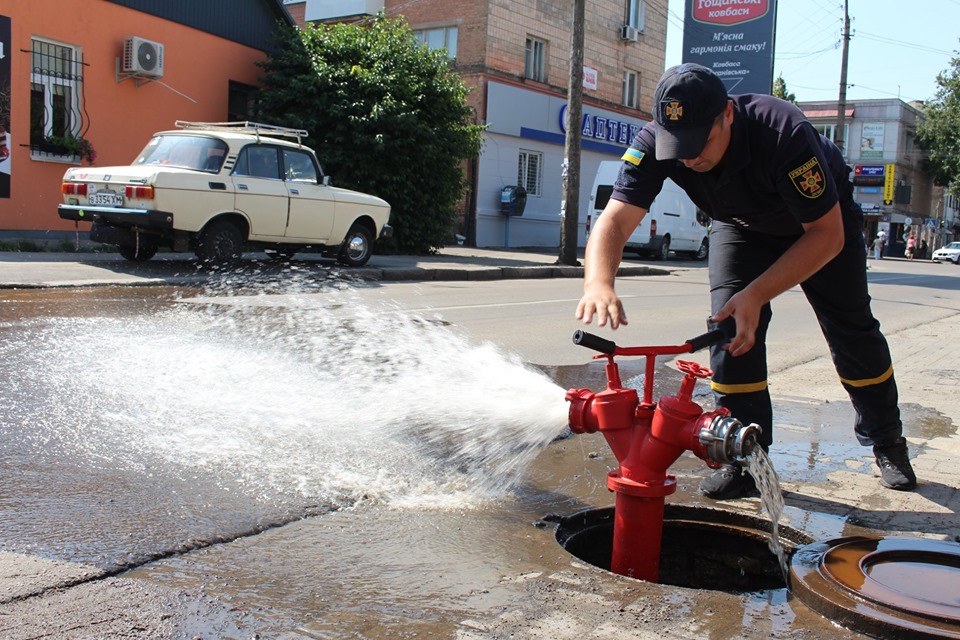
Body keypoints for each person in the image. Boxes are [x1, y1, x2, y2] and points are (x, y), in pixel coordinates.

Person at [575, 63, 916, 499]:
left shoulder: (784, 135)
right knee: (729, 329)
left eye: (700, 143)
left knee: (852, 332)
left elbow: (827, 236)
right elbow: (615, 222)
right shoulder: (655, 145)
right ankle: (747, 457)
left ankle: (888, 442)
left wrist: (757, 292)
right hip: (740, 226)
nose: (690, 157)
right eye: (678, 146)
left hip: (817, 227)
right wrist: (598, 283)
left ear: (727, 115)